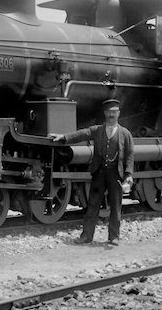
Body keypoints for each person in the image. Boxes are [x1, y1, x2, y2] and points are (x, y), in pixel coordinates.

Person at [49, 99, 134, 245]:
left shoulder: (125, 134)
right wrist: (63, 137)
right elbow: (81, 134)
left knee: (116, 206)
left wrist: (129, 175)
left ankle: (114, 237)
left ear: (118, 113)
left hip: (116, 174)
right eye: (109, 112)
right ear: (105, 113)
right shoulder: (97, 130)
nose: (111, 115)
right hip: (99, 173)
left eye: (114, 112)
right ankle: (86, 236)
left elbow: (130, 155)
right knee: (93, 205)